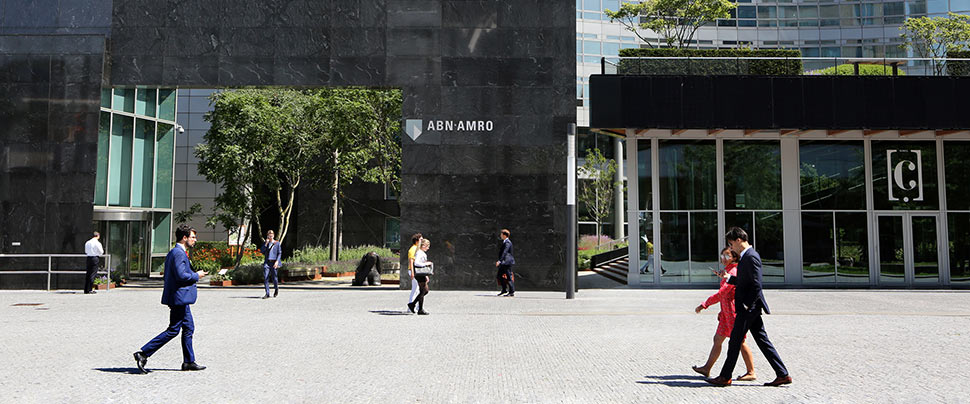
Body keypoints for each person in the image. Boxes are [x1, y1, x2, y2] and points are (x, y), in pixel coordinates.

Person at [707, 227, 792, 387]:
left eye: (731, 244)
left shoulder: (751, 256)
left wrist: (746, 305)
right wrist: (729, 278)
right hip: (750, 308)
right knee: (762, 340)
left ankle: (725, 377)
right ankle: (782, 374)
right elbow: (744, 281)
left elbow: (756, 284)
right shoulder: (746, 256)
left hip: (748, 308)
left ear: (739, 240)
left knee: (735, 342)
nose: (731, 248)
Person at [133, 225, 208, 374]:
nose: (195, 240)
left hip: (181, 298)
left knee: (189, 327)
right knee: (173, 330)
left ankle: (189, 361)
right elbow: (181, 275)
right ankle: (143, 353)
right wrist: (196, 275)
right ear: (184, 238)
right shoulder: (178, 253)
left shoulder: (177, 252)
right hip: (179, 297)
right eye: (193, 237)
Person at [692, 247, 756, 381]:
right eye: (722, 256)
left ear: (734, 258)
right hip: (726, 314)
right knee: (717, 339)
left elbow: (722, 294)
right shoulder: (728, 271)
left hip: (732, 313)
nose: (723, 259)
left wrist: (705, 304)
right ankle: (707, 368)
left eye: (727, 256)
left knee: (740, 342)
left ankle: (751, 371)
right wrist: (722, 312)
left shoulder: (733, 271)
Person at [411, 238, 433, 315]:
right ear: (423, 246)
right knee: (424, 291)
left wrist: (426, 275)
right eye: (427, 246)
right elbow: (416, 263)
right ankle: (414, 305)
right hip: (419, 273)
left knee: (423, 291)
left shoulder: (420, 252)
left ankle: (417, 307)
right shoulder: (419, 253)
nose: (428, 248)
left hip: (421, 273)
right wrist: (426, 264)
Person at [260, 230, 281, 299]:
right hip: (267, 262)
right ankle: (267, 293)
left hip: (274, 262)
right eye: (269, 236)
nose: (270, 237)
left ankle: (276, 288)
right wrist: (266, 244)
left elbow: (279, 253)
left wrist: (277, 261)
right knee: (266, 277)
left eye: (271, 236)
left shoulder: (277, 243)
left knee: (274, 277)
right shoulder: (266, 243)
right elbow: (262, 251)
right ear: (267, 236)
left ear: (273, 236)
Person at [495, 229, 515, 297]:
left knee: (508, 276)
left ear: (504, 235)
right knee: (499, 275)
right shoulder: (505, 242)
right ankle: (504, 289)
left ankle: (511, 292)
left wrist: (499, 261)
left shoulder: (508, 243)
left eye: (501, 234)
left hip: (507, 262)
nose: (500, 235)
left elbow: (505, 252)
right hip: (504, 262)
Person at [406, 233, 422, 313]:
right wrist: (412, 272)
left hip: (415, 271)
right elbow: (411, 261)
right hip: (414, 270)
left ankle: (415, 306)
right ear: (417, 241)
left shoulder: (417, 249)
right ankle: (411, 306)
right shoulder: (413, 249)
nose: (422, 241)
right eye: (421, 239)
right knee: (416, 289)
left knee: (417, 289)